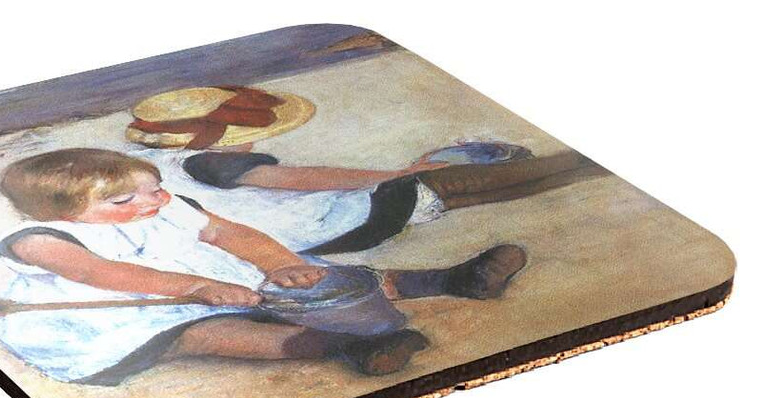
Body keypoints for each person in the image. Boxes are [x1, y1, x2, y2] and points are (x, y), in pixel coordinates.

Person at [0, 148, 527, 386]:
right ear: (60, 212)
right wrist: (199, 287)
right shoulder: (41, 240)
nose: (152, 202)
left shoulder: (163, 206)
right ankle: (352, 346)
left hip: (209, 278)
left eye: (154, 189)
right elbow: (103, 276)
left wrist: (281, 263)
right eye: (125, 201)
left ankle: (450, 279)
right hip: (122, 314)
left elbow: (229, 234)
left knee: (318, 279)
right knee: (208, 336)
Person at [125, 85, 609, 254]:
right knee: (443, 181)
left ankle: (583, 172)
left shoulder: (165, 167)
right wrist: (397, 172)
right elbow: (303, 180)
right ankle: (581, 162)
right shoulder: (209, 160)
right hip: (338, 220)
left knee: (454, 198)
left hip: (321, 239)